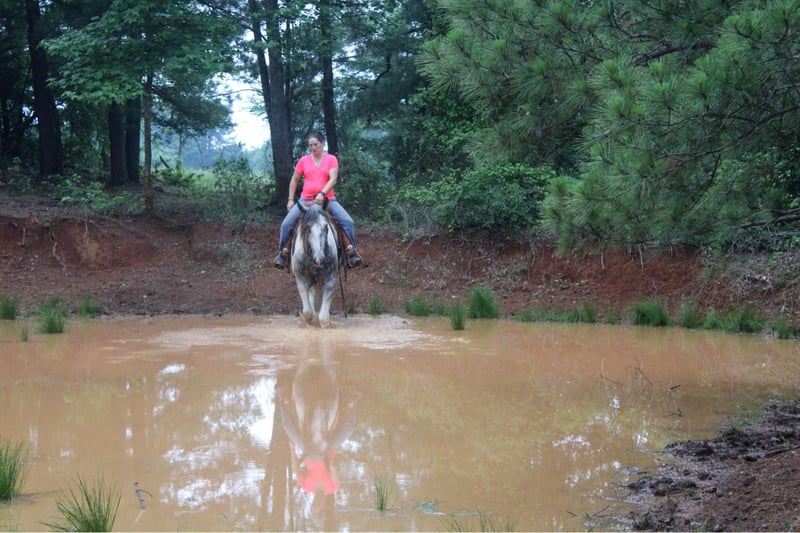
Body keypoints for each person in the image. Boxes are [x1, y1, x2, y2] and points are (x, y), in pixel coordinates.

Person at [274, 132, 362, 269]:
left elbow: (333, 179)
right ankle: (282, 255)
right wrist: (290, 199)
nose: (313, 148)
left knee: (348, 222)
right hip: (305, 200)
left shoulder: (331, 159)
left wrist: (322, 193)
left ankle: (351, 253)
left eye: (315, 144)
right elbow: (295, 179)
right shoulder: (304, 160)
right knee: (286, 224)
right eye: (310, 145)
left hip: (328, 200)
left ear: (322, 143)